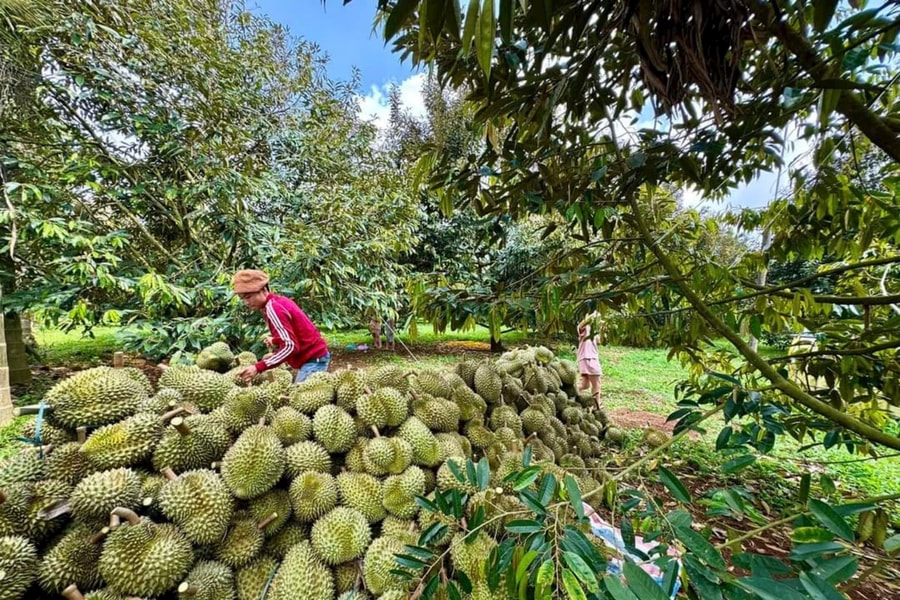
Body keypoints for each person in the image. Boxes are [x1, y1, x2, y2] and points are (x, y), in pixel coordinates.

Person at [232, 269, 330, 384]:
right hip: (314, 357)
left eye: (248, 297)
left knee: (297, 400)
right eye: (243, 299)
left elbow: (290, 346)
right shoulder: (277, 302)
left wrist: (258, 367)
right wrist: (275, 340)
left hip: (313, 360)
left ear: (263, 290)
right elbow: (293, 333)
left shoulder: (273, 309)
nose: (246, 303)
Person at [577, 314, 604, 410]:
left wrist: (600, 327)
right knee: (597, 383)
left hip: (585, 359)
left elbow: (599, 341)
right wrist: (592, 316)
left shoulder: (594, 331)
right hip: (589, 358)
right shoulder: (585, 328)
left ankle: (571, 394)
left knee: (585, 385)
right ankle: (597, 406)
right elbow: (581, 326)